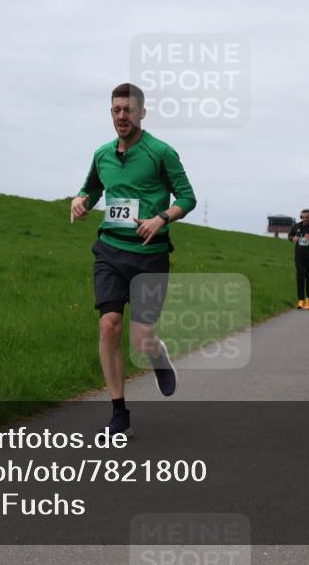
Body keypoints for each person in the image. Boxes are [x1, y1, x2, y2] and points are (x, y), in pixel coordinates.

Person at [70, 83, 197, 437]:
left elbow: (188, 198)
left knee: (141, 339)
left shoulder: (161, 153)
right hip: (109, 250)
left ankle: (156, 353)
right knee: (109, 325)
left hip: (150, 257)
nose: (121, 116)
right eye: (116, 110)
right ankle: (118, 411)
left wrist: (162, 218)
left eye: (128, 110)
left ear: (142, 112)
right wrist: (79, 200)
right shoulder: (102, 154)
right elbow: (92, 188)